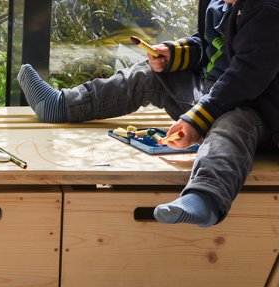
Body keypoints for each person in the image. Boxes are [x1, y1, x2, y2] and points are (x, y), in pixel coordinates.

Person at [18, 0, 278, 227]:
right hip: (212, 96)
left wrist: (198, 119)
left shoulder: (268, 11)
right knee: (147, 75)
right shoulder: (220, 3)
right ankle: (63, 105)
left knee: (232, 123)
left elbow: (244, 79)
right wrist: (174, 54)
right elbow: (209, 45)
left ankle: (205, 198)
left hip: (259, 112)